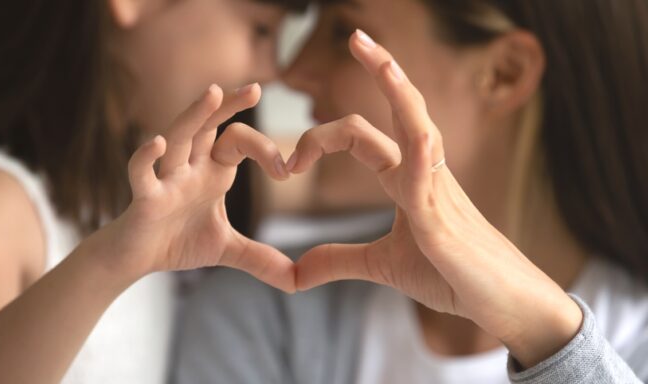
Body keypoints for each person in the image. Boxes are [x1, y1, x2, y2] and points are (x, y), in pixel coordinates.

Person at [171, 0, 648, 383]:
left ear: (504, 73)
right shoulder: (265, 313)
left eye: (342, 32)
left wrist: (547, 336)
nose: (292, 71)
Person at [0, 0, 308, 382]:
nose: (274, 71)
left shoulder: (142, 177)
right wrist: (112, 261)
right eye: (261, 30)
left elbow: (323, 173)